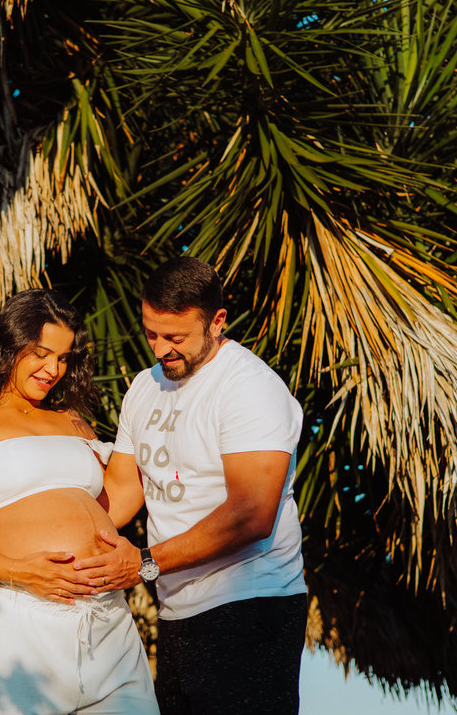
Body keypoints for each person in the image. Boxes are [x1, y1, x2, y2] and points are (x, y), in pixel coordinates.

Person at [0, 288, 159, 715]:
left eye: (63, 357)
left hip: (106, 619)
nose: (54, 368)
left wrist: (122, 551)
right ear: (9, 345)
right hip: (16, 618)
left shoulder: (72, 420)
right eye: (41, 353)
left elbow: (117, 498)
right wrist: (20, 572)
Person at [76, 257, 308, 714]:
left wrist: (143, 564)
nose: (161, 349)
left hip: (251, 604)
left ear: (217, 321)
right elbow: (122, 491)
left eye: (176, 337)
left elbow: (251, 514)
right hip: (177, 612)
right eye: (151, 333)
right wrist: (57, 536)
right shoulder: (144, 387)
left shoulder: (250, 387)